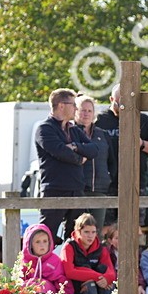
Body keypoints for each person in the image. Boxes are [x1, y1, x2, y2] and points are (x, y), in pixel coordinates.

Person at [35, 88, 99, 241]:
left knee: (76, 239)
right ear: (61, 105)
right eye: (73, 104)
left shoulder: (74, 130)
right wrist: (80, 158)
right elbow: (60, 151)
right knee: (45, 237)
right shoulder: (45, 128)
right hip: (54, 190)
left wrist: (75, 146)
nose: (76, 108)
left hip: (76, 189)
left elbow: (94, 149)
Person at [94, 83, 148, 223]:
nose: (124, 107)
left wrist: (141, 144)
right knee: (106, 227)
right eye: (120, 103)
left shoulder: (143, 120)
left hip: (136, 182)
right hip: (107, 183)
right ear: (111, 99)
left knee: (133, 225)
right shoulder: (100, 120)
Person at [58, 213, 116, 294]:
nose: (90, 236)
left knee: (106, 277)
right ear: (78, 232)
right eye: (86, 232)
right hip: (76, 289)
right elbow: (69, 272)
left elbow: (111, 272)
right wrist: (97, 277)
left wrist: (106, 279)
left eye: (93, 232)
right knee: (89, 281)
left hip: (98, 286)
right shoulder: (69, 246)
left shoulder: (101, 248)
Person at [75, 94, 111, 230]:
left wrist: (109, 178)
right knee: (78, 230)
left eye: (89, 110)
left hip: (100, 190)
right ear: (75, 111)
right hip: (78, 190)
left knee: (97, 231)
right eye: (83, 110)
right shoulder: (70, 132)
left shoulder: (102, 134)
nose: (86, 114)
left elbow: (111, 161)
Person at [18, 223, 69, 294]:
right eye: (37, 242)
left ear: (50, 242)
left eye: (45, 241)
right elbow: (18, 281)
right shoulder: (24, 261)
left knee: (43, 284)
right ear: (30, 244)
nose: (42, 245)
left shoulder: (54, 260)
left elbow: (63, 282)